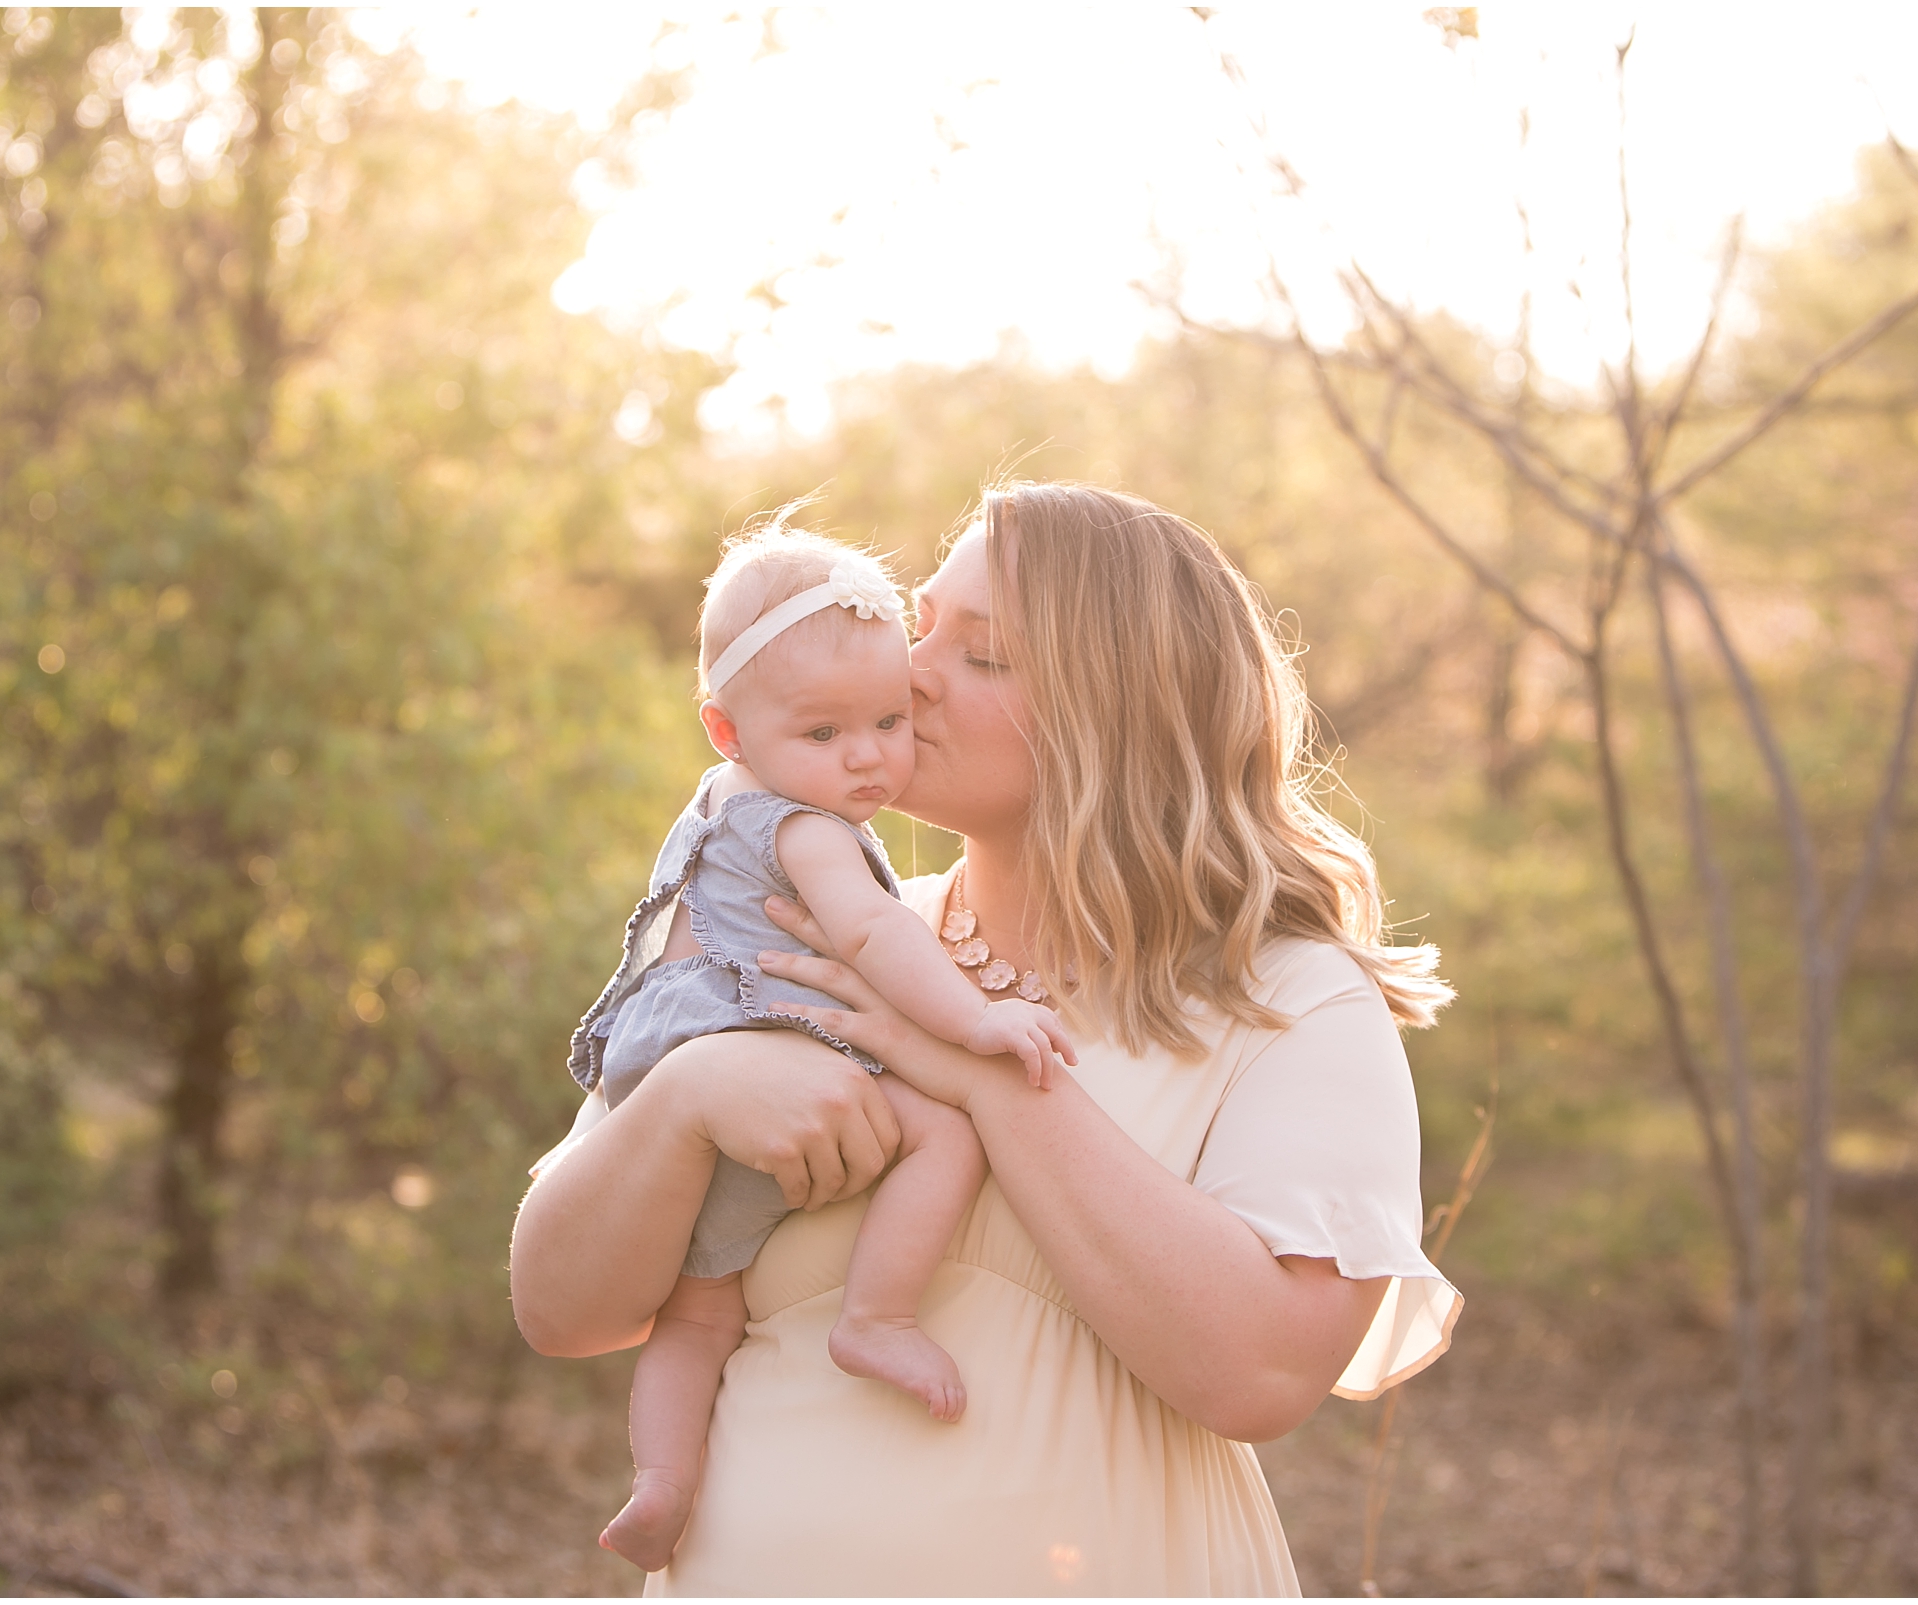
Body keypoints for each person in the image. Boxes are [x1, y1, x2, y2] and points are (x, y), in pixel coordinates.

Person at [513, 481, 1462, 1595]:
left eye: (984, 655)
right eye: (922, 626)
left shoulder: (1292, 1002)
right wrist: (689, 1097)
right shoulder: (812, 934)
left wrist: (992, 1084)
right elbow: (560, 1308)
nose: (910, 673)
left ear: (1124, 712)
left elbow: (1258, 1373)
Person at [578, 526, 1076, 1570]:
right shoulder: (804, 829)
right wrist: (975, 1019)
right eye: (824, 732)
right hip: (761, 1057)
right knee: (945, 1133)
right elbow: (873, 934)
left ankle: (661, 1485)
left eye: (889, 721)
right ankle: (877, 1316)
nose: (866, 756)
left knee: (699, 1312)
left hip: (682, 1079)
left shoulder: (713, 809)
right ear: (726, 729)